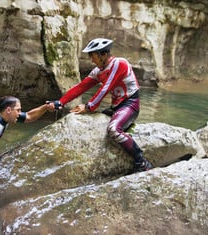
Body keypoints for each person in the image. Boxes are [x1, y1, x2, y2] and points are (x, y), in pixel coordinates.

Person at [48, 38, 153, 172]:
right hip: (116, 107)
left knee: (113, 130)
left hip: (130, 105)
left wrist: (88, 106)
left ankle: (142, 162)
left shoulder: (119, 63)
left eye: (93, 56)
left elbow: (106, 88)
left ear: (103, 54)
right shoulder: (98, 71)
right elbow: (81, 87)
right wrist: (60, 102)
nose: (91, 60)